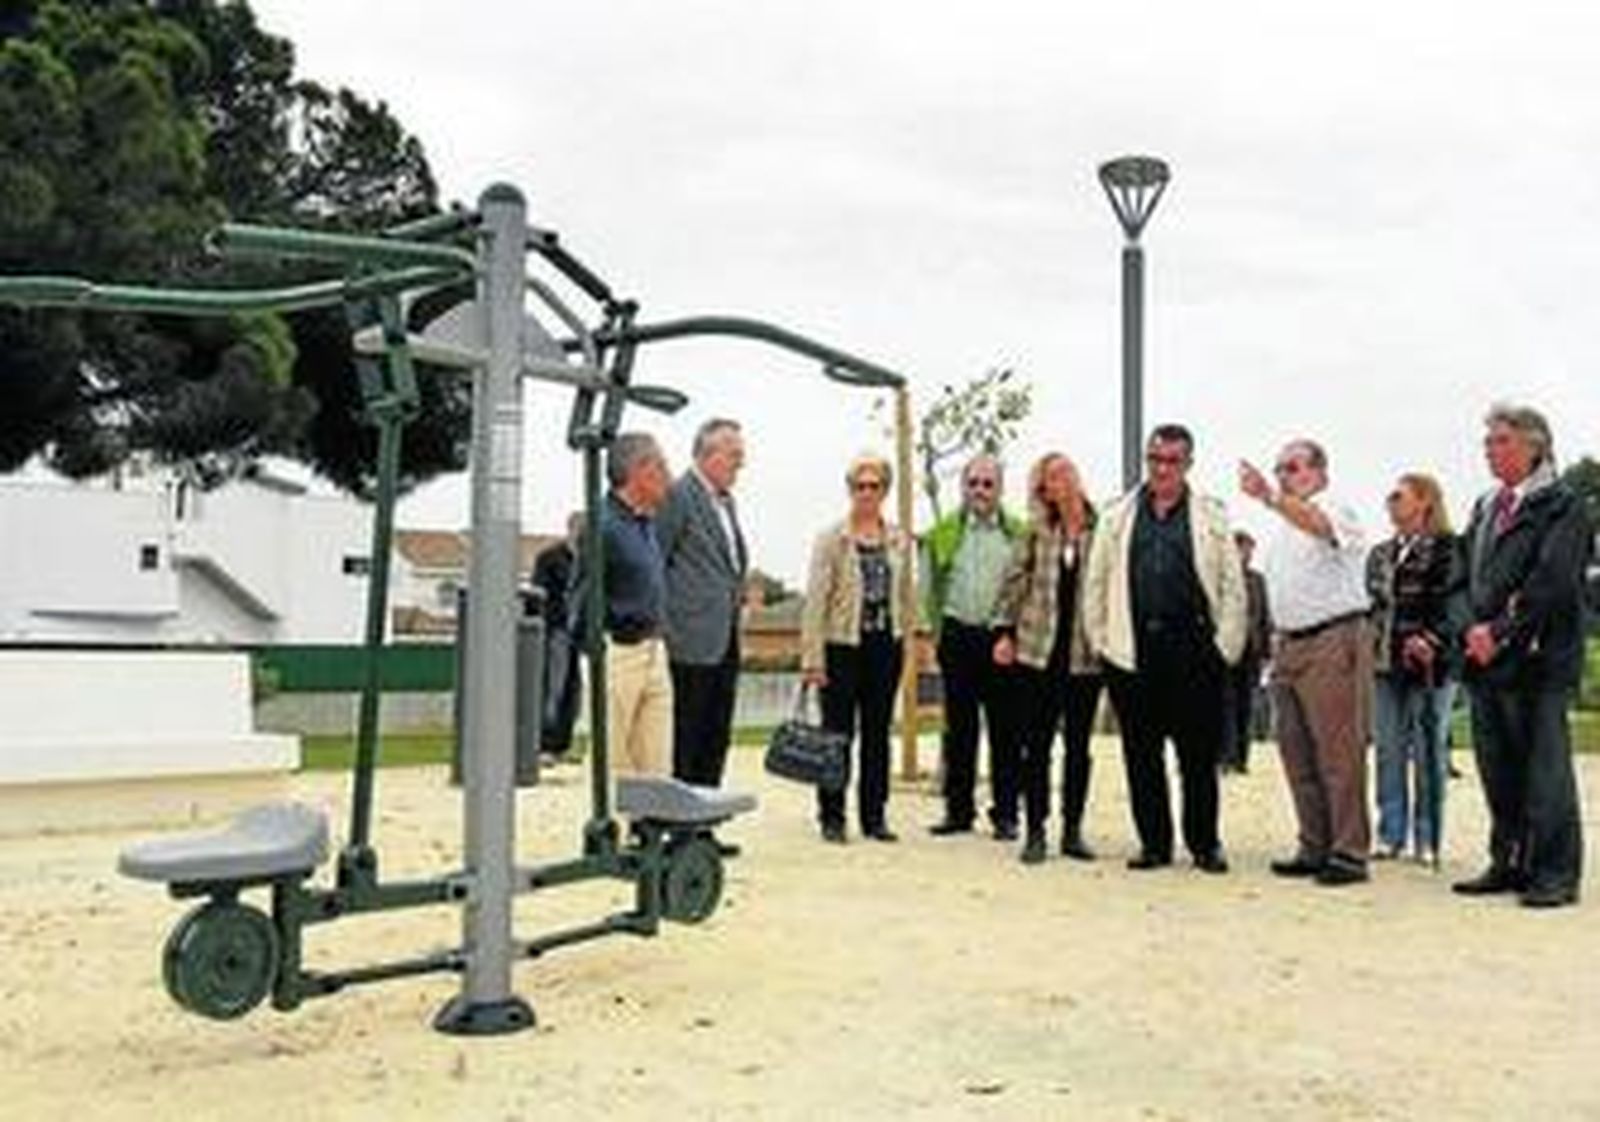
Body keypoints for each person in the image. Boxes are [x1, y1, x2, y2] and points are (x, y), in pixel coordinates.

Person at [1084, 424, 1245, 873]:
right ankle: (1154, 844)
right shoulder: (1116, 515)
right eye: (1154, 459)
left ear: (1188, 464)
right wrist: (1100, 642)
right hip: (1132, 653)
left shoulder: (1212, 516)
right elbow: (1095, 583)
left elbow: (1233, 587)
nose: (1161, 469)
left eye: (1172, 461)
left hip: (1195, 651)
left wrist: (1224, 648)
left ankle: (1204, 844)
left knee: (1197, 758)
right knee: (1142, 755)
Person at [1451, 404, 1589, 908]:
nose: (1490, 448)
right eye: (1487, 441)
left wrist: (1502, 629)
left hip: (1537, 658)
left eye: (1501, 439)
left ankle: (1555, 873)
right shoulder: (1486, 505)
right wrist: (1468, 627)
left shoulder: (1562, 504)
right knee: (1498, 768)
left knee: (1544, 771)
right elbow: (1460, 575)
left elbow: (1553, 581)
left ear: (1536, 445)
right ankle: (1508, 861)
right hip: (1484, 660)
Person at [1240, 438, 1372, 886]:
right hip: (1289, 645)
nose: (1284, 476)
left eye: (1293, 467)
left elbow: (1321, 527)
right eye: (1279, 469)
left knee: (1338, 751)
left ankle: (1350, 851)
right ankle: (1315, 843)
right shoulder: (1283, 530)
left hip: (1332, 639)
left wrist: (1271, 498)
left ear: (1319, 471)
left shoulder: (1334, 508)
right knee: (1297, 752)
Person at [992, 453, 1104, 865]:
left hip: (1085, 656)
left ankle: (1072, 830)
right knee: (1035, 746)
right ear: (1044, 492)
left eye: (1066, 471)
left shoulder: (1103, 527)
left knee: (1079, 747)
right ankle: (1035, 830)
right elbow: (1012, 582)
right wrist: (1004, 632)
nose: (1062, 480)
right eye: (1051, 478)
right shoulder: (1036, 531)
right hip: (1037, 653)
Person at [800, 453, 913, 844]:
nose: (867, 492)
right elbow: (816, 601)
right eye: (860, 485)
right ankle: (832, 815)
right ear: (850, 489)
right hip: (841, 646)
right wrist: (812, 659)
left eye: (875, 485)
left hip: (885, 646)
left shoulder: (898, 538)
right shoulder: (832, 538)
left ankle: (874, 815)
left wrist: (907, 642)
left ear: (885, 490)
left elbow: (906, 595)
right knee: (836, 735)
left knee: (878, 734)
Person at [921, 454, 1026, 838]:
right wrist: (939, 636)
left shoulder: (1018, 533)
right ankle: (958, 811)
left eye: (988, 483)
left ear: (1000, 489)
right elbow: (928, 591)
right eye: (973, 483)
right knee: (959, 730)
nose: (980, 490)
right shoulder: (943, 533)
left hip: (1000, 640)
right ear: (962, 487)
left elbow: (1025, 591)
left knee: (1006, 731)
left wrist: (1011, 635)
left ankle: (1006, 814)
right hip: (958, 636)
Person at [1365, 474, 1455, 865]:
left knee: (1428, 747)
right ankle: (1390, 832)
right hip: (1385, 663)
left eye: (1398, 496)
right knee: (1388, 749)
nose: (1390, 502)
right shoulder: (1380, 553)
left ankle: (1428, 834)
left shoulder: (1450, 549)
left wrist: (1432, 639)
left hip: (1431, 662)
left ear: (1424, 502)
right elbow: (1370, 606)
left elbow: (1454, 603)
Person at [574, 432, 674, 775]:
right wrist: (597, 652)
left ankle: (647, 828)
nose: (669, 475)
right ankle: (614, 828)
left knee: (656, 763)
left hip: (654, 651)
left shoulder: (645, 524)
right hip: (618, 653)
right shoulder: (602, 525)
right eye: (662, 465)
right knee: (614, 762)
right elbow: (581, 597)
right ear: (639, 470)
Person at [658, 418, 749, 787]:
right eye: (735, 455)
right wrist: (666, 630)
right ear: (708, 455)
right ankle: (679, 827)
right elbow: (656, 562)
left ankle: (704, 823)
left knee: (716, 734)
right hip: (687, 643)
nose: (741, 464)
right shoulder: (678, 495)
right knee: (687, 736)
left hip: (724, 639)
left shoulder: (726, 503)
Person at [532, 511, 584, 757]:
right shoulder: (550, 558)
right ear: (570, 529)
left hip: (580, 632)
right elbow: (539, 594)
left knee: (574, 690)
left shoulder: (588, 559)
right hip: (557, 631)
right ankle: (545, 743)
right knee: (554, 687)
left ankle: (563, 743)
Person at [1221, 530, 1272, 774]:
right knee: (1225, 705)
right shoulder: (1222, 579)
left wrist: (1267, 654)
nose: (1246, 553)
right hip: (1226, 650)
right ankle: (1226, 757)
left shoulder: (1258, 581)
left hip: (1251, 652)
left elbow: (1265, 618)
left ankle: (1241, 760)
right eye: (1242, 548)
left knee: (1245, 706)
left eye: (1249, 549)